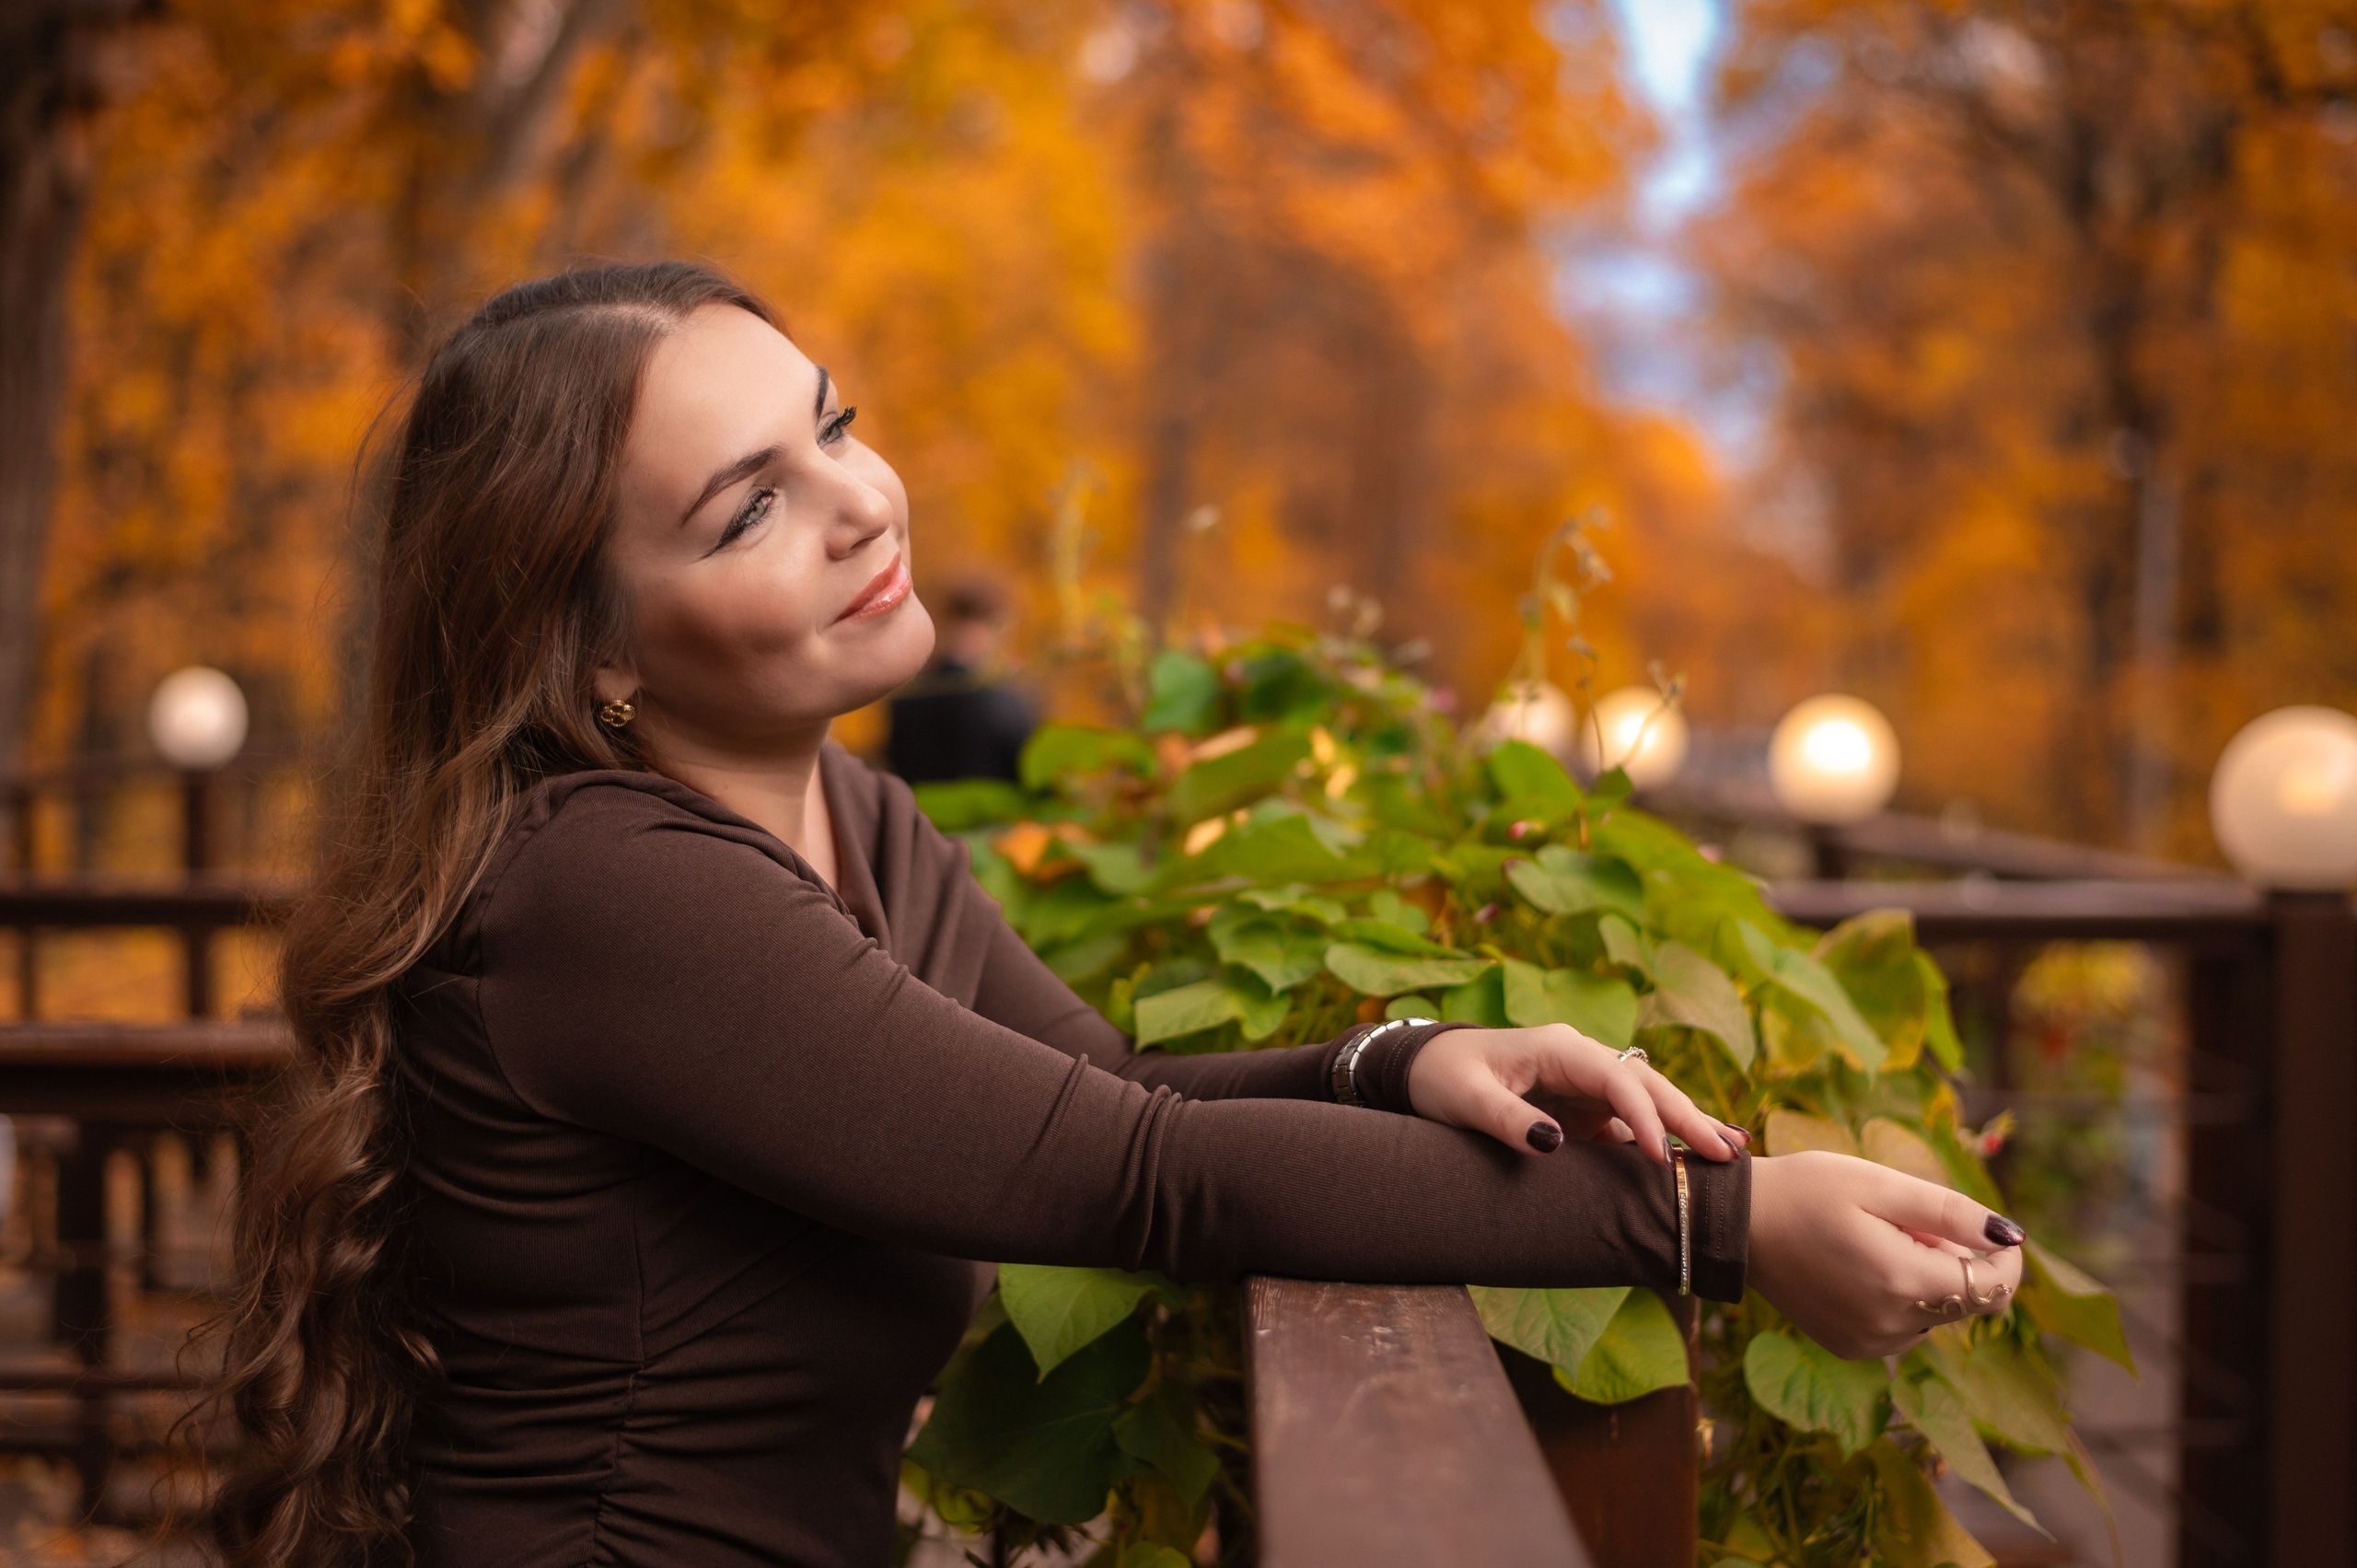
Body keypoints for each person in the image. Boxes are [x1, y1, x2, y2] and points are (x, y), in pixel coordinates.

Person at [209, 263, 2026, 1568]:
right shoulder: (604, 887)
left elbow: (1082, 1087)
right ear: (590, 648)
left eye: (830, 423)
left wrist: (1399, 1054)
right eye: (751, 504)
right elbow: (1128, 1177)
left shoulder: (851, 814)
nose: (859, 501)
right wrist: (1725, 1216)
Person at [883, 575, 1035, 784]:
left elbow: (894, 757)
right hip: (991, 810)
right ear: (995, 624)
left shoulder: (911, 690)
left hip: (922, 808)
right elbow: (1025, 765)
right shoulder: (998, 697)